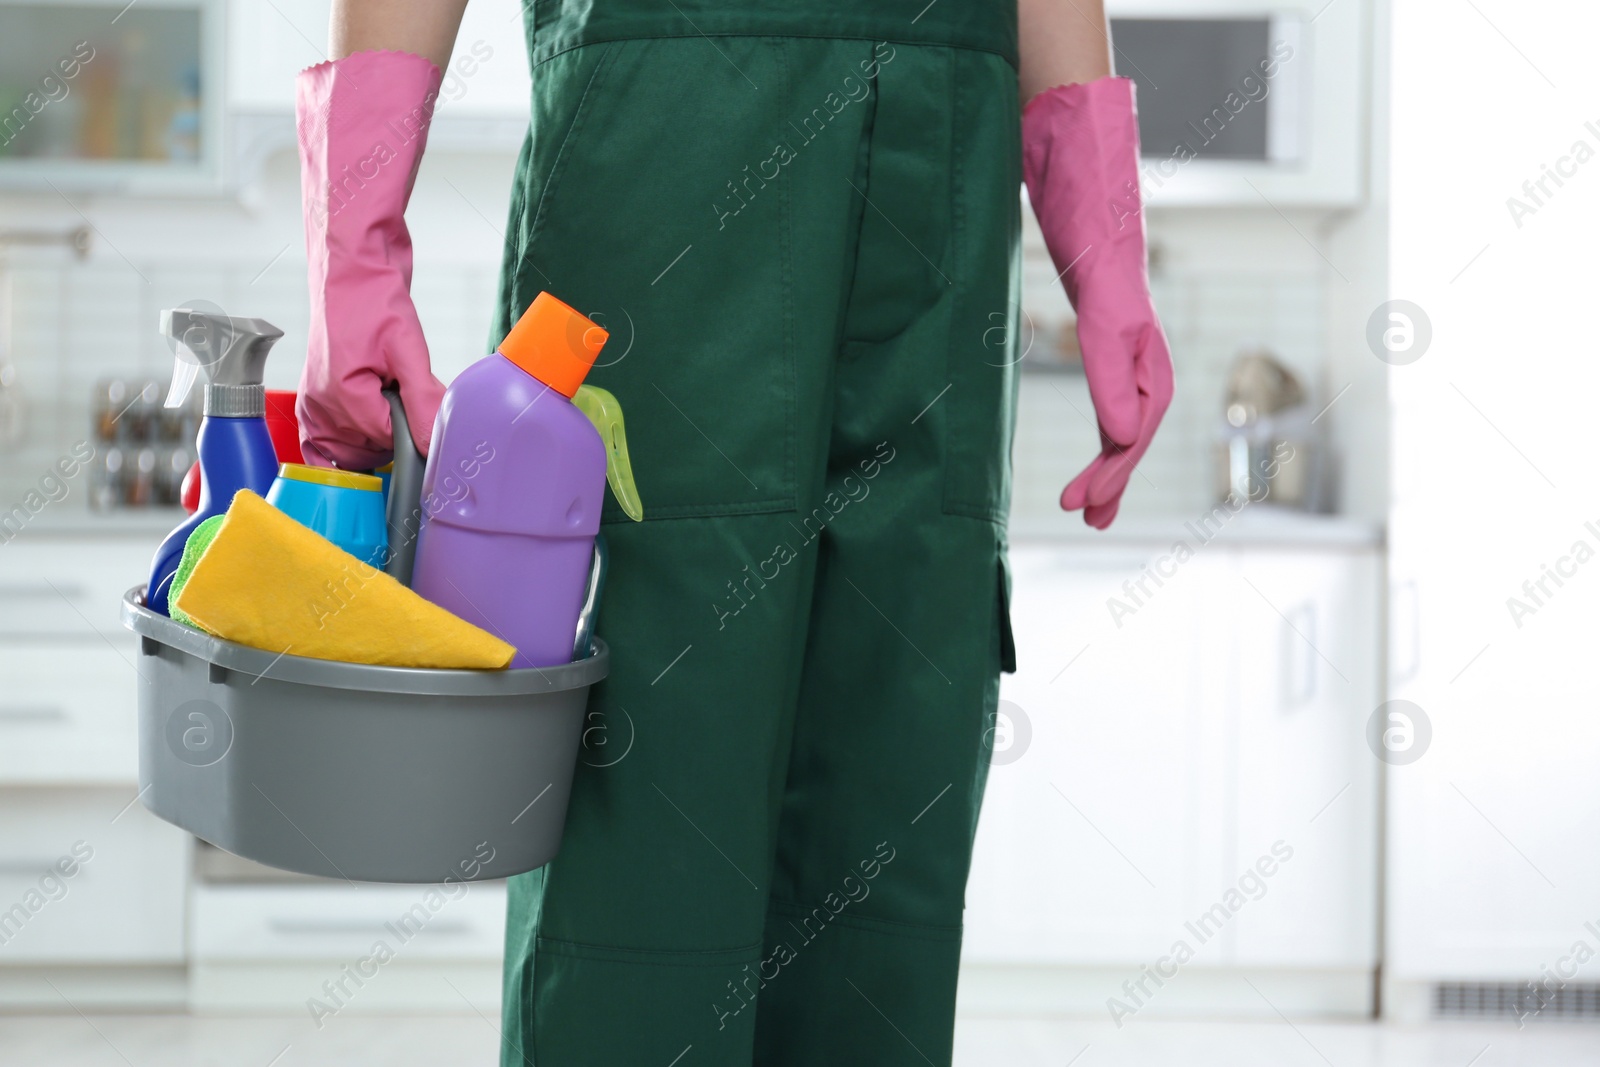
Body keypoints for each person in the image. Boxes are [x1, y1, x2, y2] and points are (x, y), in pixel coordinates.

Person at [294, 0, 1172, 1060]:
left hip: (945, 163)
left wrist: (1104, 237)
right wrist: (355, 239)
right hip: (664, 136)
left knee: (890, 801)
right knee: (646, 809)